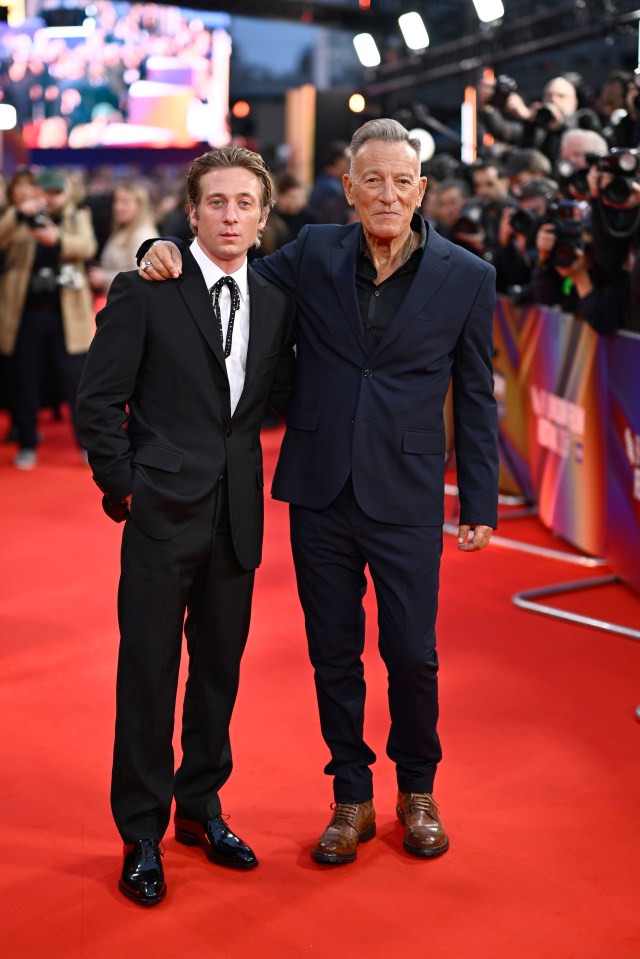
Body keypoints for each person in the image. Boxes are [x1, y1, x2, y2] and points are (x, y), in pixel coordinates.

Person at [137, 119, 499, 865]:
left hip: (405, 492)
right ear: (350, 188)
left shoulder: (468, 276)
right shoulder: (312, 253)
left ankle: (419, 789)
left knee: (412, 651)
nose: (388, 194)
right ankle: (352, 796)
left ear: (421, 189)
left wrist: (482, 500)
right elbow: (226, 272)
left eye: (402, 181)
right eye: (373, 180)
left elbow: (475, 396)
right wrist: (159, 247)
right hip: (320, 487)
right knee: (332, 651)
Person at [76, 146, 295, 905]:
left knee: (219, 673)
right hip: (159, 514)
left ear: (264, 219)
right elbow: (97, 403)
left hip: (236, 514)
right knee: (148, 672)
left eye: (245, 204)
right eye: (217, 202)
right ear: (193, 212)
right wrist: (126, 488)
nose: (231, 215)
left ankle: (200, 806)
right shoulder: (147, 288)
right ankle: (141, 829)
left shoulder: (275, 301)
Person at [0, 167, 97, 469]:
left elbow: (87, 246)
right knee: (25, 381)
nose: (51, 198)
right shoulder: (21, 216)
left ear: (65, 193)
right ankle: (27, 442)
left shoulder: (76, 215)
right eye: (46, 191)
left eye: (57, 192)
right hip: (26, 312)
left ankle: (87, 445)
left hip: (66, 315)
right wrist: (18, 214)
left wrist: (57, 241)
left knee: (75, 383)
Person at [88, 181, 158, 295]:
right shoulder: (122, 230)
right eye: (116, 201)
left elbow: (142, 274)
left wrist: (104, 279)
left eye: (125, 202)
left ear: (140, 206)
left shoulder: (144, 235)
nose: (117, 207)